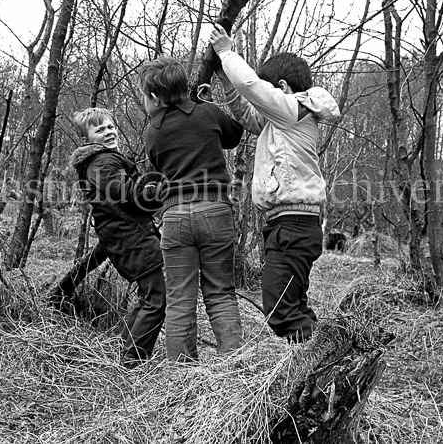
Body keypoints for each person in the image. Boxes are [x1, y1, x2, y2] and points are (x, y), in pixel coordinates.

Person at [209, 25, 340, 343]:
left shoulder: (293, 109)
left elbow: (252, 87)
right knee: (293, 305)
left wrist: (227, 52)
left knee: (281, 310)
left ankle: (322, 360)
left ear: (281, 87)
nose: (264, 102)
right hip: (289, 224)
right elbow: (245, 113)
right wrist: (225, 79)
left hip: (293, 225)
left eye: (270, 93)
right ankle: (317, 357)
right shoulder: (280, 120)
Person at [140, 56, 245, 362]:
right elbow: (234, 136)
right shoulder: (208, 112)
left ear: (156, 99)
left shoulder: (153, 132)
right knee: (221, 293)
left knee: (179, 300)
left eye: (145, 98)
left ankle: (183, 378)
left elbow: (158, 166)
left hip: (175, 216)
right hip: (216, 212)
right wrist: (210, 105)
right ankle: (233, 368)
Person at [70, 107, 166, 367]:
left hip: (127, 234)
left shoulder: (103, 160)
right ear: (87, 138)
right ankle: (132, 361)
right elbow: (127, 194)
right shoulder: (102, 162)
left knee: (150, 296)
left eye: (110, 127)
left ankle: (124, 351)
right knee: (157, 298)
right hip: (130, 236)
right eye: (99, 130)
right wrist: (161, 188)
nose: (108, 132)